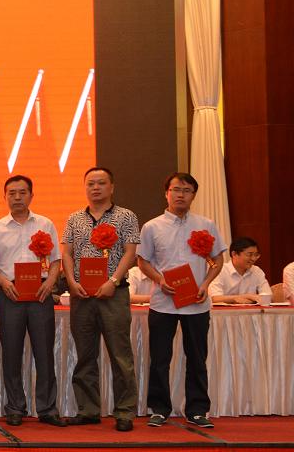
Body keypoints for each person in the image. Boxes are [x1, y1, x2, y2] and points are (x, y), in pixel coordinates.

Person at [138, 172, 225, 428]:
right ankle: (159, 409)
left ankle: (197, 410)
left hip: (196, 302)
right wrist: (159, 280)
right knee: (160, 358)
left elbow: (217, 259)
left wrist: (206, 284)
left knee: (197, 359)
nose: (181, 195)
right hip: (163, 303)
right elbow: (143, 261)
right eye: (176, 189)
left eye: (187, 191)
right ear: (166, 193)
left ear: (193, 195)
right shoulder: (152, 227)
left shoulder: (206, 224)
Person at [60, 167, 140, 432]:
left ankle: (125, 412)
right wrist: (71, 282)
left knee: (120, 355)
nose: (96, 188)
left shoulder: (126, 216)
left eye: (101, 183)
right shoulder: (74, 219)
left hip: (113, 294)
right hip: (82, 295)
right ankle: (88, 410)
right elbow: (67, 253)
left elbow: (130, 253)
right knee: (85, 355)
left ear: (112, 187)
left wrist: (113, 281)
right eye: (91, 184)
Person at [0, 175, 66, 427]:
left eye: (22, 192)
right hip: (10, 294)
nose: (17, 197)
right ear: (5, 197)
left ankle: (47, 408)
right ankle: (15, 407)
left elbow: (55, 260)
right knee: (11, 352)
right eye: (12, 193)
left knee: (44, 352)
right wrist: (3, 282)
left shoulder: (45, 224)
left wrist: (50, 282)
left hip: (40, 294)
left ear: (31, 195)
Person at [209, 237, 272, 304]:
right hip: (225, 310)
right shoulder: (220, 270)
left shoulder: (257, 271)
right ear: (234, 254)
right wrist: (243, 297)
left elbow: (268, 295)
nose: (253, 259)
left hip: (250, 310)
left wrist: (256, 298)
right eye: (249, 254)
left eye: (256, 255)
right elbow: (214, 298)